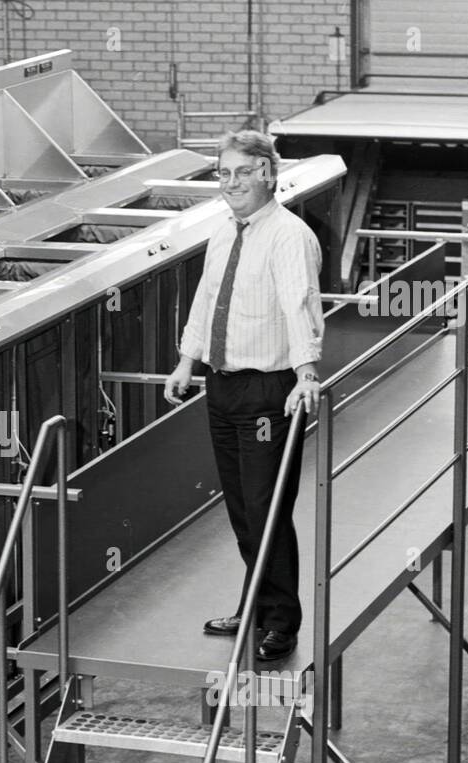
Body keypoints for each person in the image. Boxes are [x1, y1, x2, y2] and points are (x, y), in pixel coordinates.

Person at [163, 130, 324, 662]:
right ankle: (255, 605)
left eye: (241, 172)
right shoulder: (223, 233)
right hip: (223, 385)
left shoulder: (288, 236)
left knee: (265, 506)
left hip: (270, 390)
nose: (230, 183)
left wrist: (306, 372)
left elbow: (299, 306)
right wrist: (188, 361)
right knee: (239, 506)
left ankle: (282, 620)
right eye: (222, 173)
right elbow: (207, 299)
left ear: (268, 175)